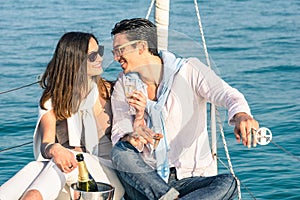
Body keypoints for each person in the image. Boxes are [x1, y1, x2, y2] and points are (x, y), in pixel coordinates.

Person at [109, 18, 259, 199]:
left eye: (120, 50)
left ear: (141, 47)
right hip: (146, 180)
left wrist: (241, 115)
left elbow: (227, 94)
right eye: (114, 51)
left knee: (227, 182)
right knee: (120, 152)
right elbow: (119, 133)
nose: (116, 57)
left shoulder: (189, 70)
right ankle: (168, 197)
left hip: (189, 179)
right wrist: (134, 133)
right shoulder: (123, 85)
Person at [0, 32, 124, 200]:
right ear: (75, 61)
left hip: (110, 177)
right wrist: (55, 148)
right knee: (34, 168)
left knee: (68, 161)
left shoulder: (111, 91)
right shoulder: (53, 99)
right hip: (73, 173)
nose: (100, 58)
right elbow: (46, 143)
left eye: (100, 51)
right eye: (93, 56)